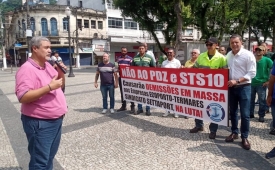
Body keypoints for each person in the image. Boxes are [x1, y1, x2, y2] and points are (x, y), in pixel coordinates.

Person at [15, 36, 67, 170]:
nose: (50, 50)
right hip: (40, 123)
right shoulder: (27, 69)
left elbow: (60, 87)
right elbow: (23, 96)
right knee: (40, 162)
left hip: (55, 121)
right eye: (46, 47)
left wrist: (61, 73)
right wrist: (49, 87)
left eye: (50, 47)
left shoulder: (47, 66)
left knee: (49, 157)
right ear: (35, 48)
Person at [189, 37, 227, 140]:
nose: (208, 46)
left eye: (211, 44)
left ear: (216, 45)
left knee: (215, 108)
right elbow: (194, 68)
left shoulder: (222, 58)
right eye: (207, 45)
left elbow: (225, 72)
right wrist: (184, 71)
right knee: (198, 105)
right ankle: (199, 125)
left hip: (215, 89)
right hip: (201, 87)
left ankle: (213, 130)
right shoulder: (201, 56)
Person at [226, 34, 256, 150]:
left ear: (241, 42)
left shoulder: (248, 55)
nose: (234, 44)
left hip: (244, 87)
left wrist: (237, 81)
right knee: (233, 112)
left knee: (245, 114)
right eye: (232, 43)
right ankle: (234, 132)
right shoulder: (229, 55)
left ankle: (244, 137)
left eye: (236, 42)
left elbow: (252, 73)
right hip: (232, 88)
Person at [250, 46, 273, 122]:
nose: (258, 51)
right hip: (251, 83)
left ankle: (261, 115)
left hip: (262, 84)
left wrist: (268, 81)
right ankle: (250, 113)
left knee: (262, 101)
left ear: (264, 52)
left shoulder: (267, 60)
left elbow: (273, 71)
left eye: (260, 50)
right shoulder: (252, 59)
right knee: (250, 100)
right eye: (257, 49)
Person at [132, 43, 156, 116]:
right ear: (138, 49)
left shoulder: (149, 57)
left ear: (145, 49)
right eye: (140, 48)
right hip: (138, 81)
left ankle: (148, 109)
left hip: (147, 80)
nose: (141, 50)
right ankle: (140, 109)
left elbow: (154, 68)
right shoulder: (135, 58)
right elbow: (131, 69)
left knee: (147, 95)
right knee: (139, 94)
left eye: (142, 48)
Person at [161, 48, 181, 118]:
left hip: (175, 83)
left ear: (174, 54)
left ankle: (176, 112)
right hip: (166, 83)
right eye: (168, 53)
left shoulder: (177, 62)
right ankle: (167, 111)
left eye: (171, 53)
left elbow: (179, 72)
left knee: (175, 98)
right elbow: (161, 73)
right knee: (167, 98)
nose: (169, 54)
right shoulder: (164, 62)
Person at [116, 47, 135, 113]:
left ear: (127, 51)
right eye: (122, 51)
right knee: (122, 92)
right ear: (121, 51)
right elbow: (117, 68)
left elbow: (133, 69)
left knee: (130, 92)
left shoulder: (130, 59)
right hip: (121, 78)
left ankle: (132, 106)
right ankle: (123, 106)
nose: (123, 52)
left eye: (125, 51)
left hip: (128, 79)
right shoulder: (118, 59)